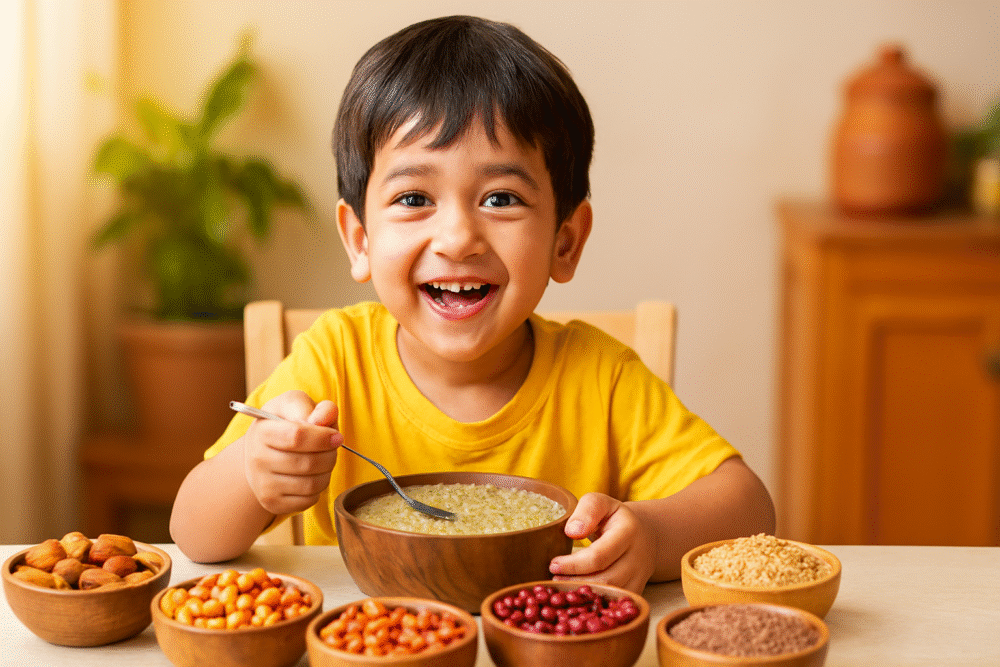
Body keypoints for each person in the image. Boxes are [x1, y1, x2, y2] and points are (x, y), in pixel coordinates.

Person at [170, 15, 775, 592]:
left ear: (565, 242)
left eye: (501, 198)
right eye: (413, 198)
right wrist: (257, 471)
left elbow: (748, 507)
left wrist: (652, 536)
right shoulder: (333, 361)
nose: (458, 238)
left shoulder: (603, 378)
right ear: (359, 240)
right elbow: (191, 533)